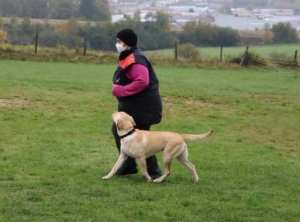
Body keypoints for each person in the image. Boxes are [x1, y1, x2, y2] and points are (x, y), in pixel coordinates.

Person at [111, 28, 162, 178]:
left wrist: (121, 90)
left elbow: (142, 81)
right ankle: (130, 166)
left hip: (142, 107)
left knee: (140, 139)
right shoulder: (129, 56)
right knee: (121, 131)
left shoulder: (136, 58)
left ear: (127, 43)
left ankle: (152, 171)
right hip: (136, 105)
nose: (117, 43)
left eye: (119, 41)